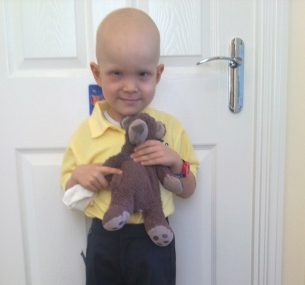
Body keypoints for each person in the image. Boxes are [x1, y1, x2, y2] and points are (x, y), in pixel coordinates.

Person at [61, 7, 199, 285]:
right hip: (104, 238)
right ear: (97, 74)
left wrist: (175, 162)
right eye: (116, 74)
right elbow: (67, 187)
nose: (130, 87)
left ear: (158, 74)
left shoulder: (169, 128)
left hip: (153, 239)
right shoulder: (87, 132)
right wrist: (78, 177)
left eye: (143, 75)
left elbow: (189, 189)